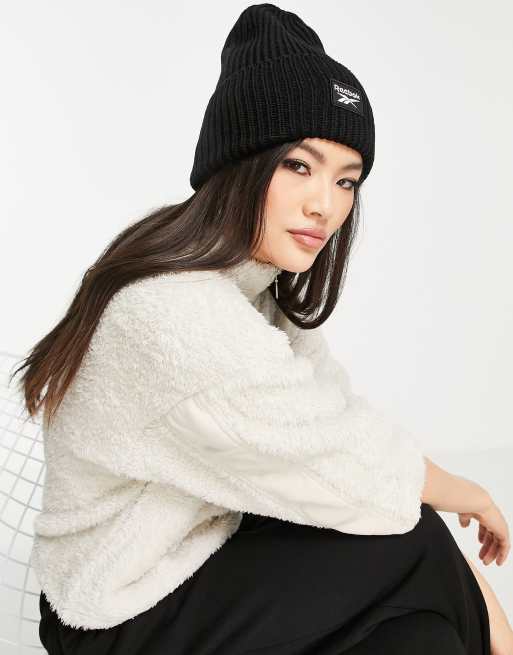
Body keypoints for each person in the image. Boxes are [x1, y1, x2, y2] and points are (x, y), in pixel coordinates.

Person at [11, 3, 511, 654]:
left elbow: (334, 416)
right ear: (241, 163)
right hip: (116, 608)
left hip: (202, 552)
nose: (324, 204)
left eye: (346, 180)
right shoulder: (172, 310)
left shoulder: (250, 286)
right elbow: (344, 465)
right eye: (299, 165)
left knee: (419, 637)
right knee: (413, 540)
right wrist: (469, 497)